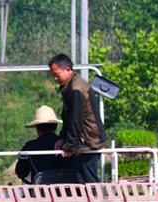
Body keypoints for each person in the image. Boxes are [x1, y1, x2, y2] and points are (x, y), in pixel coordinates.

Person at [48, 53, 108, 183]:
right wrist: (63, 138)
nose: (55, 78)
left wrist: (69, 146)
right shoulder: (71, 86)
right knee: (82, 179)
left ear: (68, 70)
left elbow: (75, 120)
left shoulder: (76, 89)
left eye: (57, 74)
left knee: (88, 180)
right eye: (53, 75)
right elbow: (68, 116)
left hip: (89, 141)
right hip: (85, 140)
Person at [15, 105, 74, 183]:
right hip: (69, 192)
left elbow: (21, 172)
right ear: (56, 126)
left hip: (41, 193)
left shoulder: (30, 147)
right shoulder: (68, 146)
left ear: (37, 129)